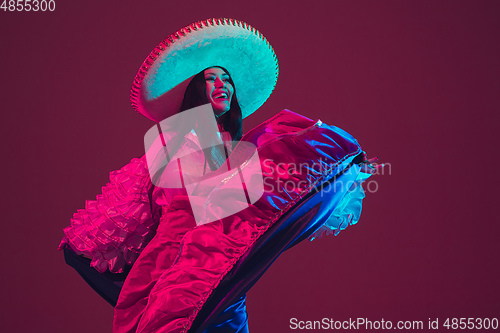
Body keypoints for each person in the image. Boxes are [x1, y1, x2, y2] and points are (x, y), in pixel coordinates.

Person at [58, 18, 378, 333]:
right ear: (195, 89)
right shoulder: (176, 137)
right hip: (183, 265)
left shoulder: (225, 145)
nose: (223, 84)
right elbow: (180, 205)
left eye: (227, 79)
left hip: (217, 270)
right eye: (212, 79)